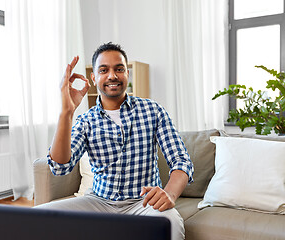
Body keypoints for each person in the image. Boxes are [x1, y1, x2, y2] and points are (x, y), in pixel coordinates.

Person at [36, 42, 194, 240]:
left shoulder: (153, 111)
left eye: (119, 69)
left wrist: (169, 194)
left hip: (143, 204)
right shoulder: (86, 121)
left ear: (127, 73)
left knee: (170, 226)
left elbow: (181, 160)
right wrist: (66, 112)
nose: (112, 75)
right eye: (104, 70)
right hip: (98, 202)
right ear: (94, 78)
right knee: (39, 219)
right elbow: (60, 167)